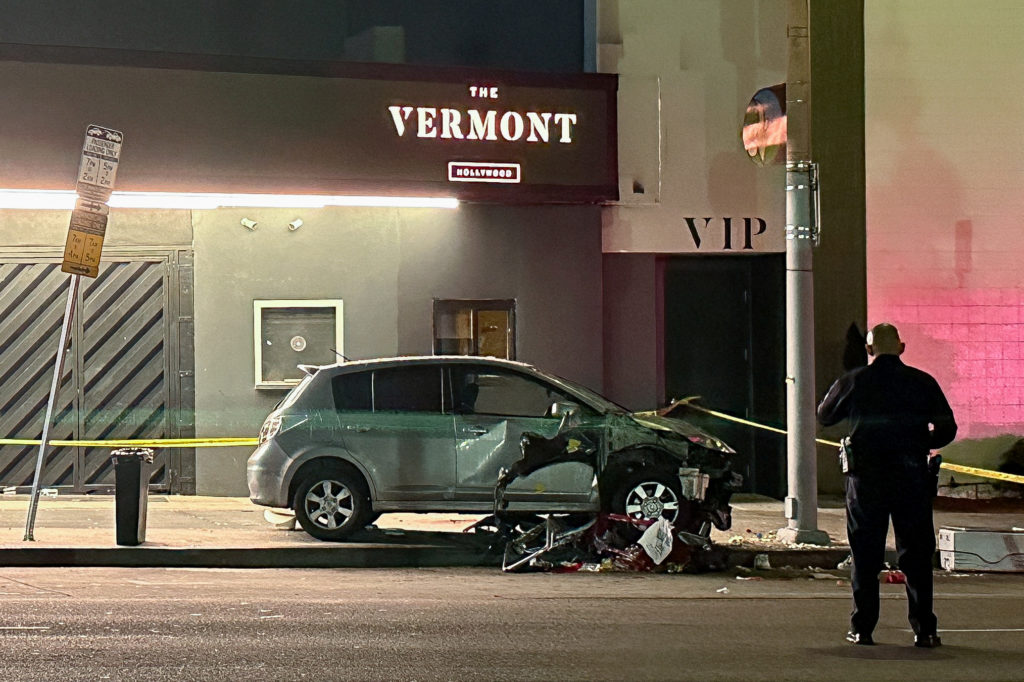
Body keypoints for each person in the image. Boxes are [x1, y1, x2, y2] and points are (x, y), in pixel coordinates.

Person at [817, 322, 957, 648]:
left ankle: (862, 628)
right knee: (917, 555)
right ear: (902, 347)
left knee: (866, 554)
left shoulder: (854, 381)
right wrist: (923, 441)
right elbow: (948, 429)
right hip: (911, 476)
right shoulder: (923, 382)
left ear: (869, 350)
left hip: (866, 479)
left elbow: (825, 415)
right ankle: (925, 630)